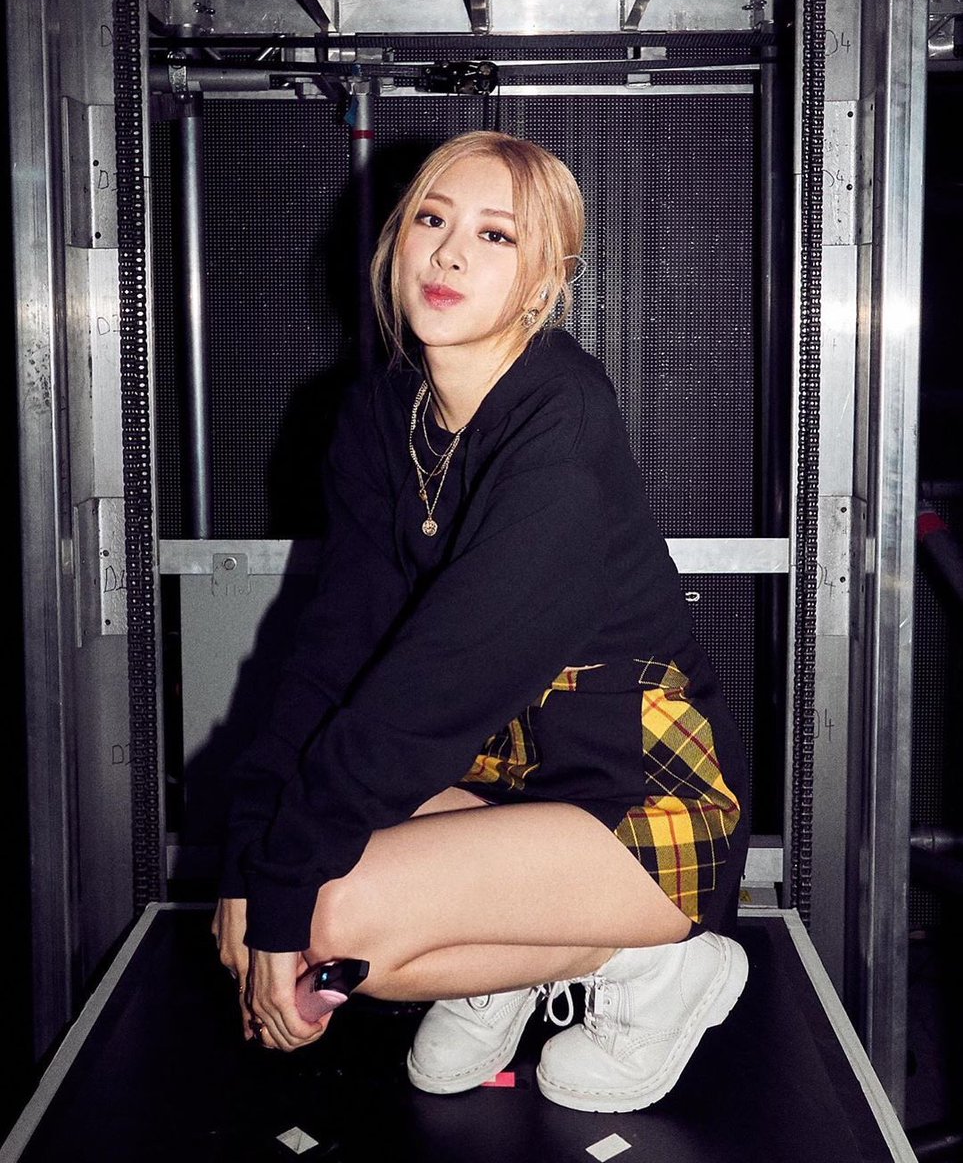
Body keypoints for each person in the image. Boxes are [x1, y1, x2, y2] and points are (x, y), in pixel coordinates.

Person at [212, 129, 750, 1114]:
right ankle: (513, 959)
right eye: (432, 218)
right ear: (396, 241)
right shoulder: (383, 416)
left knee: (324, 924)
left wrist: (283, 896)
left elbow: (431, 690)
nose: (450, 253)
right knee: (295, 913)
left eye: (495, 235)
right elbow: (328, 657)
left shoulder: (560, 421)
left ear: (544, 281)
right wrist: (250, 861)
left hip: (641, 805)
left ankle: (653, 963)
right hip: (503, 779)